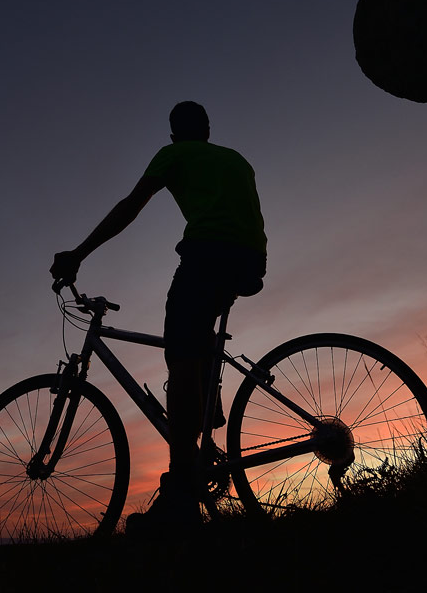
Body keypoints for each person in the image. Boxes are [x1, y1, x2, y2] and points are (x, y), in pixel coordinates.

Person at [50, 101, 266, 532]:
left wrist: (79, 253)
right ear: (207, 129)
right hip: (250, 261)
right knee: (196, 345)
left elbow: (131, 205)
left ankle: (180, 497)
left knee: (181, 355)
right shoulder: (235, 158)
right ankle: (204, 446)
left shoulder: (174, 154)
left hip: (207, 254)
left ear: (173, 135)